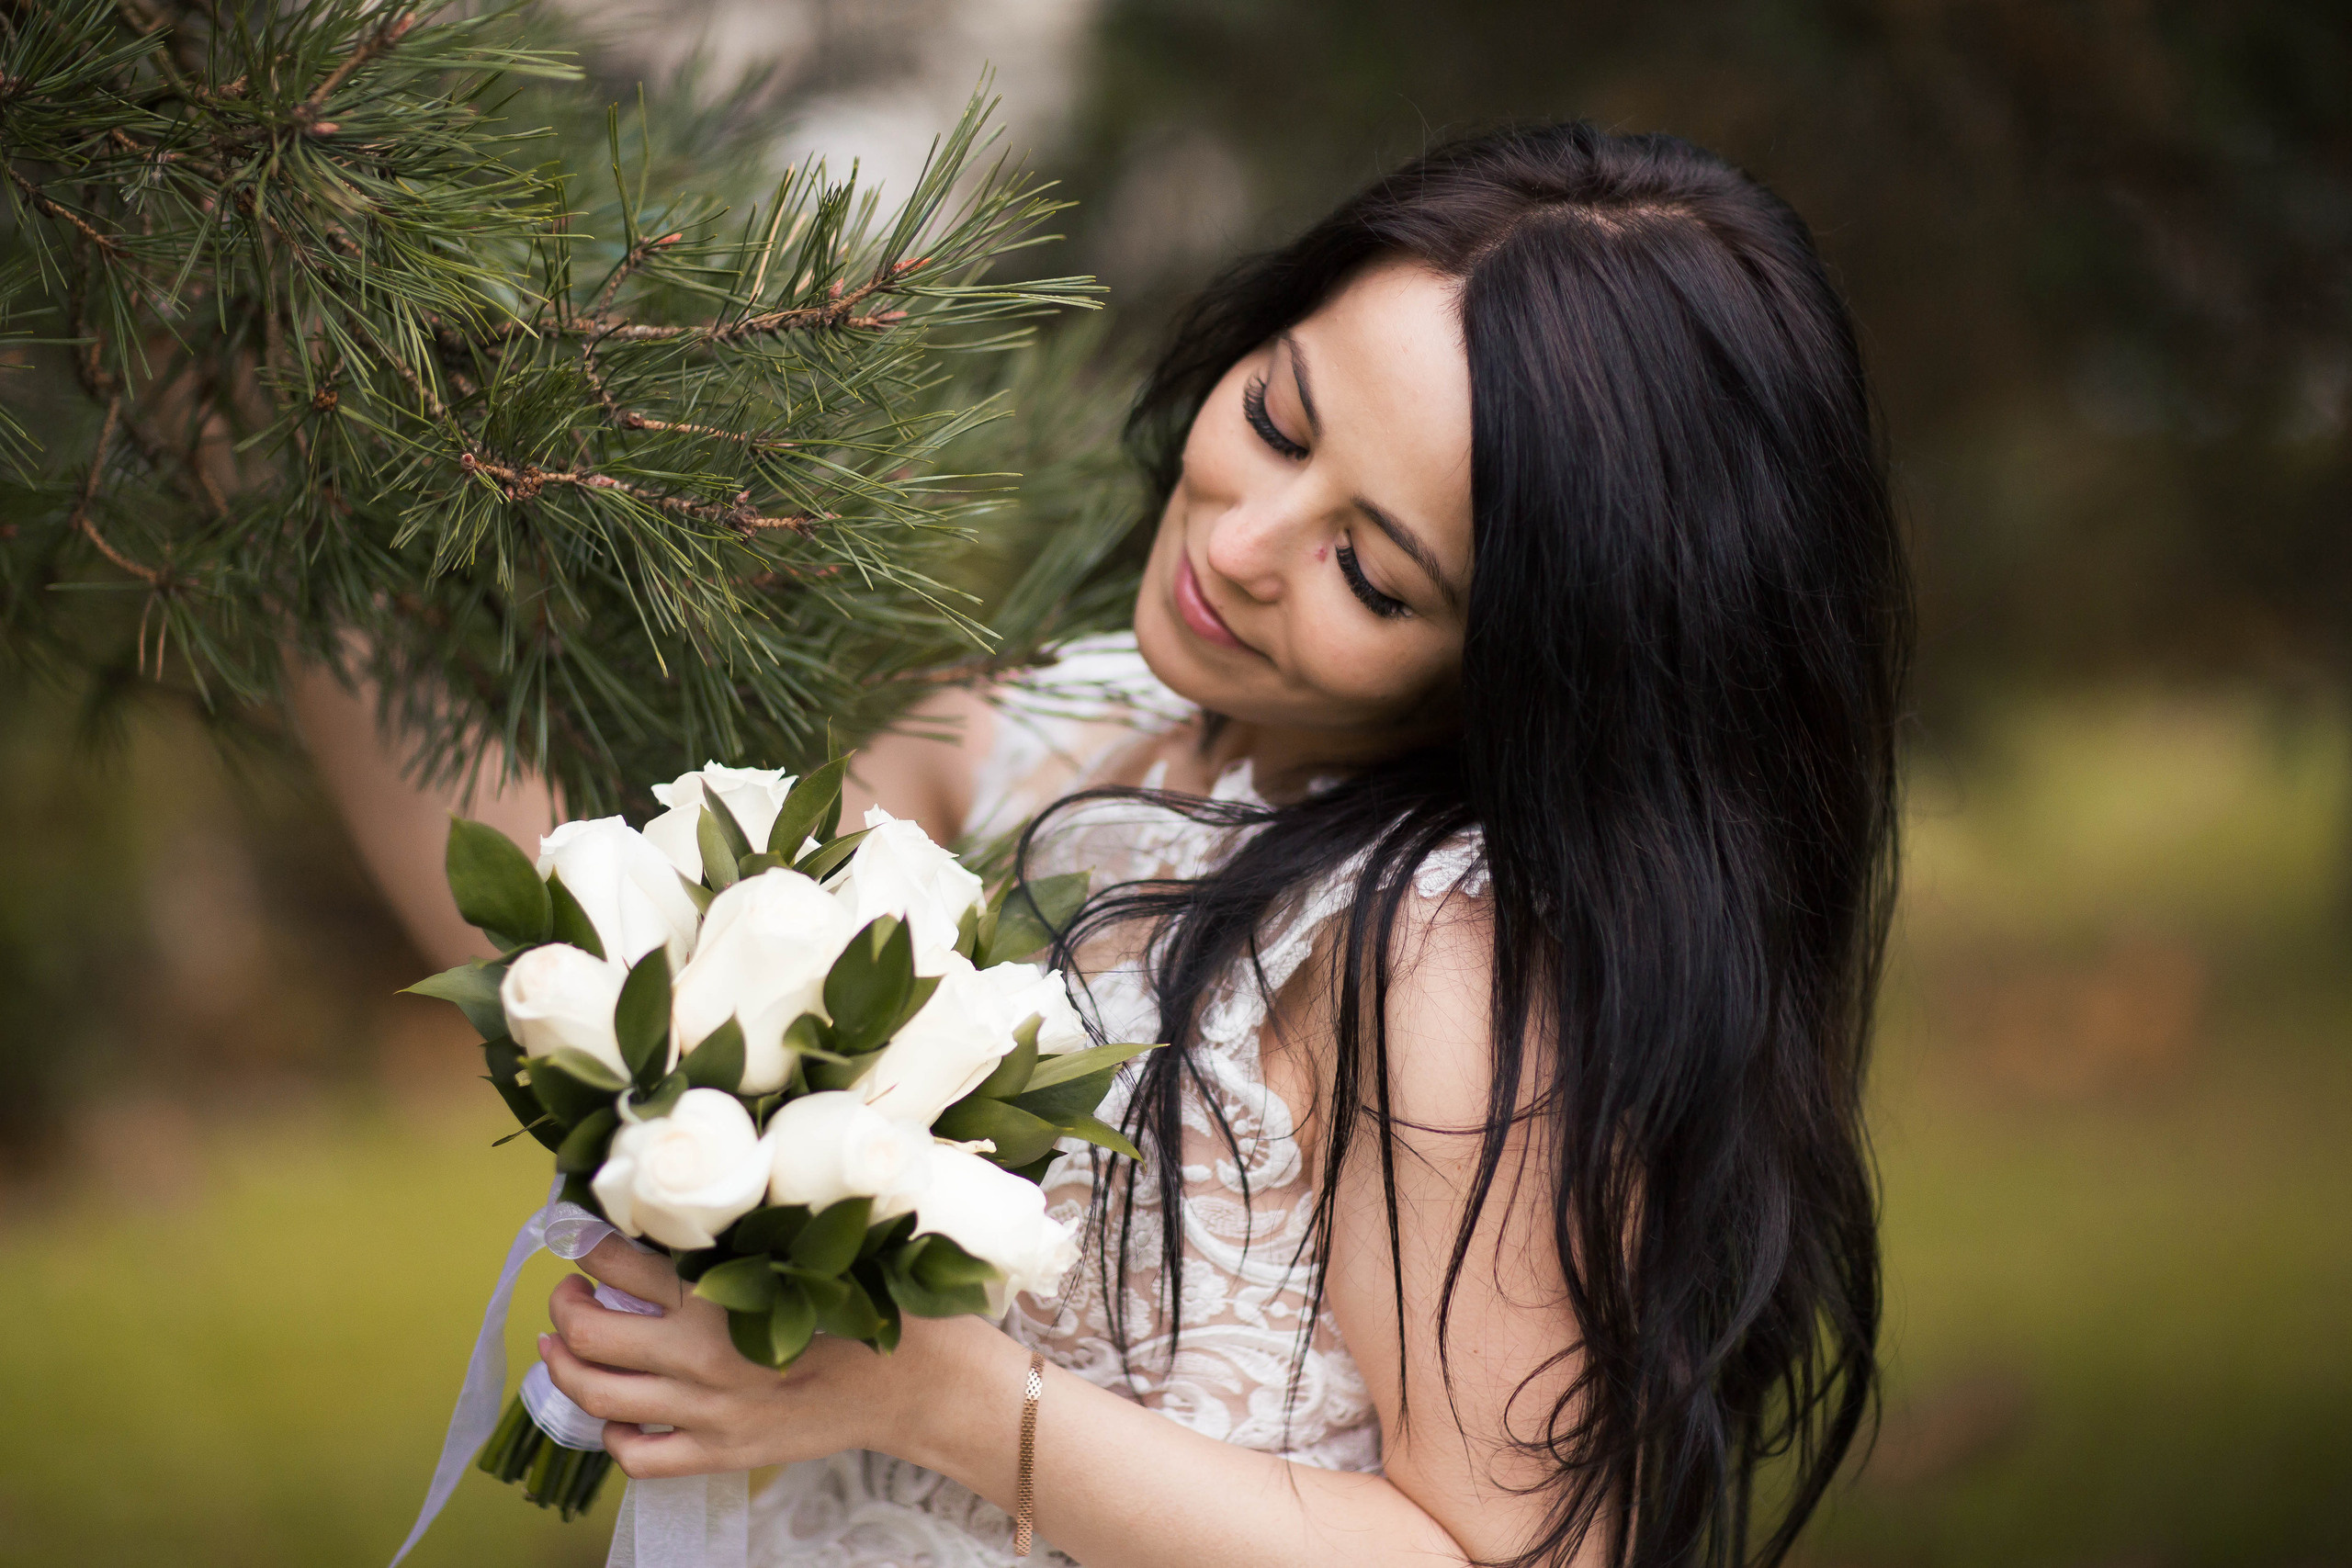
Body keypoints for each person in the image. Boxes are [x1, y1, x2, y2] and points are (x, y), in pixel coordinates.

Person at [299, 120, 1909, 1568]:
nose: (1244, 539)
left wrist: (935, 1400)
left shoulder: (1435, 954)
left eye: (1376, 573)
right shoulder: (1052, 722)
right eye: (1280, 419)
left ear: (1535, 662)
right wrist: (284, 521)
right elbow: (612, 938)